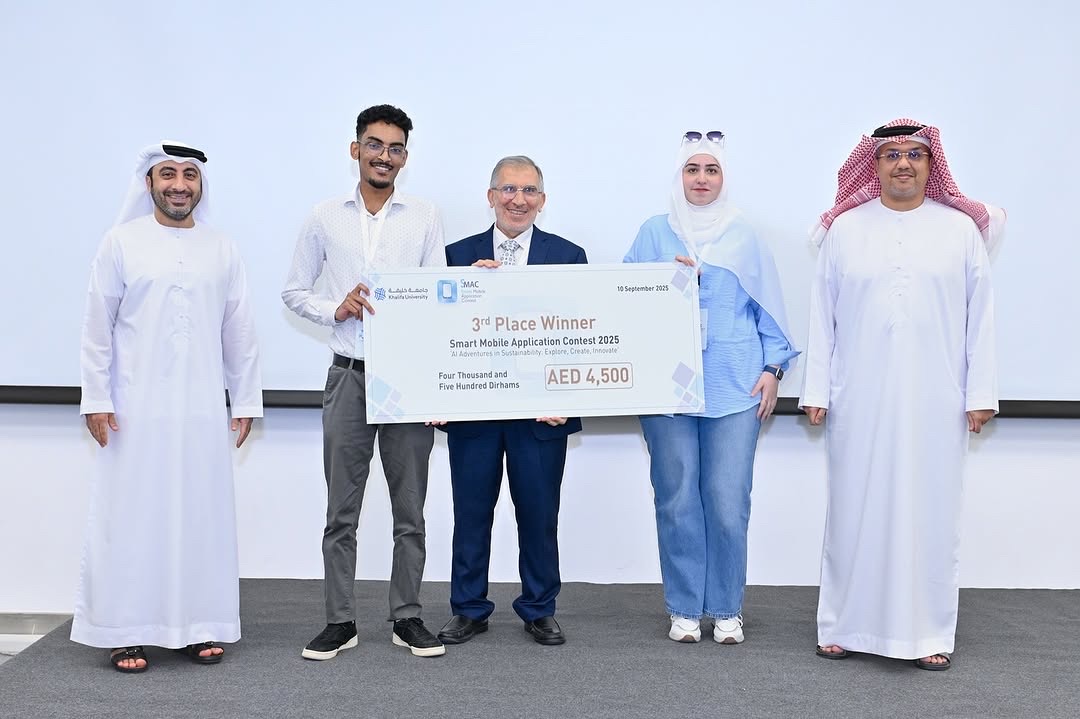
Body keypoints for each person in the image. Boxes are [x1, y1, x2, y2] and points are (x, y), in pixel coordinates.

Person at [800, 118, 1005, 671]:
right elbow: (823, 315)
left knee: (931, 512)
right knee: (852, 509)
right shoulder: (846, 229)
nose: (904, 164)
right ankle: (842, 625)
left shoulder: (959, 230)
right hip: (858, 395)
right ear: (875, 165)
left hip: (937, 397)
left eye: (915, 154)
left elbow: (981, 318)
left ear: (931, 164)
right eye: (891, 155)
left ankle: (928, 633)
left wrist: (980, 394)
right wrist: (817, 389)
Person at [75, 142, 263, 673]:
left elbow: (239, 328)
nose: (179, 185)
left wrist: (245, 398)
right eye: (168, 175)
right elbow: (97, 326)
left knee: (199, 515)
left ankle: (197, 626)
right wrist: (96, 397)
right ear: (149, 183)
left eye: (189, 176)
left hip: (201, 409)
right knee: (133, 516)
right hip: (134, 409)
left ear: (200, 185)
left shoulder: (221, 247)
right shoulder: (121, 242)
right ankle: (125, 631)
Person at [283, 104, 447, 659]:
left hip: (407, 381)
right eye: (375, 144)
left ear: (405, 157)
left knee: (410, 511)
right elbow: (293, 291)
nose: (384, 155)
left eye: (395, 148)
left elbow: (439, 301)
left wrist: (435, 384)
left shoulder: (424, 217)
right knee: (341, 512)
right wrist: (336, 307)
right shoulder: (324, 217)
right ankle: (340, 621)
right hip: (348, 376)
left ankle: (407, 617)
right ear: (356, 149)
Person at [624, 131, 798, 645]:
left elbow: (769, 308)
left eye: (711, 170)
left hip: (735, 386)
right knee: (676, 498)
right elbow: (621, 300)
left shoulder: (745, 235)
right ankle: (683, 607)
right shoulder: (654, 233)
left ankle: (725, 608)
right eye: (692, 169)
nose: (701, 179)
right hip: (666, 387)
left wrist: (773, 369)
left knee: (727, 500)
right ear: (679, 176)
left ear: (724, 178)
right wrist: (662, 280)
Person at [436, 156, 586, 647]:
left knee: (539, 516)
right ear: (490, 196)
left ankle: (539, 608)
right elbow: (436, 332)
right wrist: (469, 291)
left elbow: (583, 335)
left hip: (542, 416)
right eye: (508, 189)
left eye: (529, 190)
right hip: (474, 413)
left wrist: (568, 397)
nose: (518, 199)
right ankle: (468, 609)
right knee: (471, 513)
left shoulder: (569, 257)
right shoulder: (455, 256)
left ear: (542, 200)